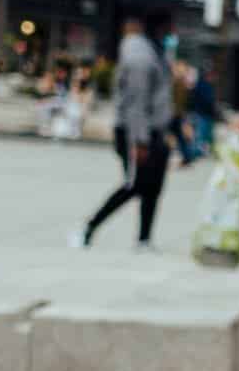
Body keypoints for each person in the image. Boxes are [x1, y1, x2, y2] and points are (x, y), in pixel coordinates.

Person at [73, 17, 174, 251]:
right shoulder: (140, 56)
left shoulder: (153, 52)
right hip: (136, 133)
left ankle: (144, 239)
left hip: (151, 131)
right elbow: (136, 103)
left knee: (152, 186)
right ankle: (89, 227)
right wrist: (140, 141)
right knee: (135, 184)